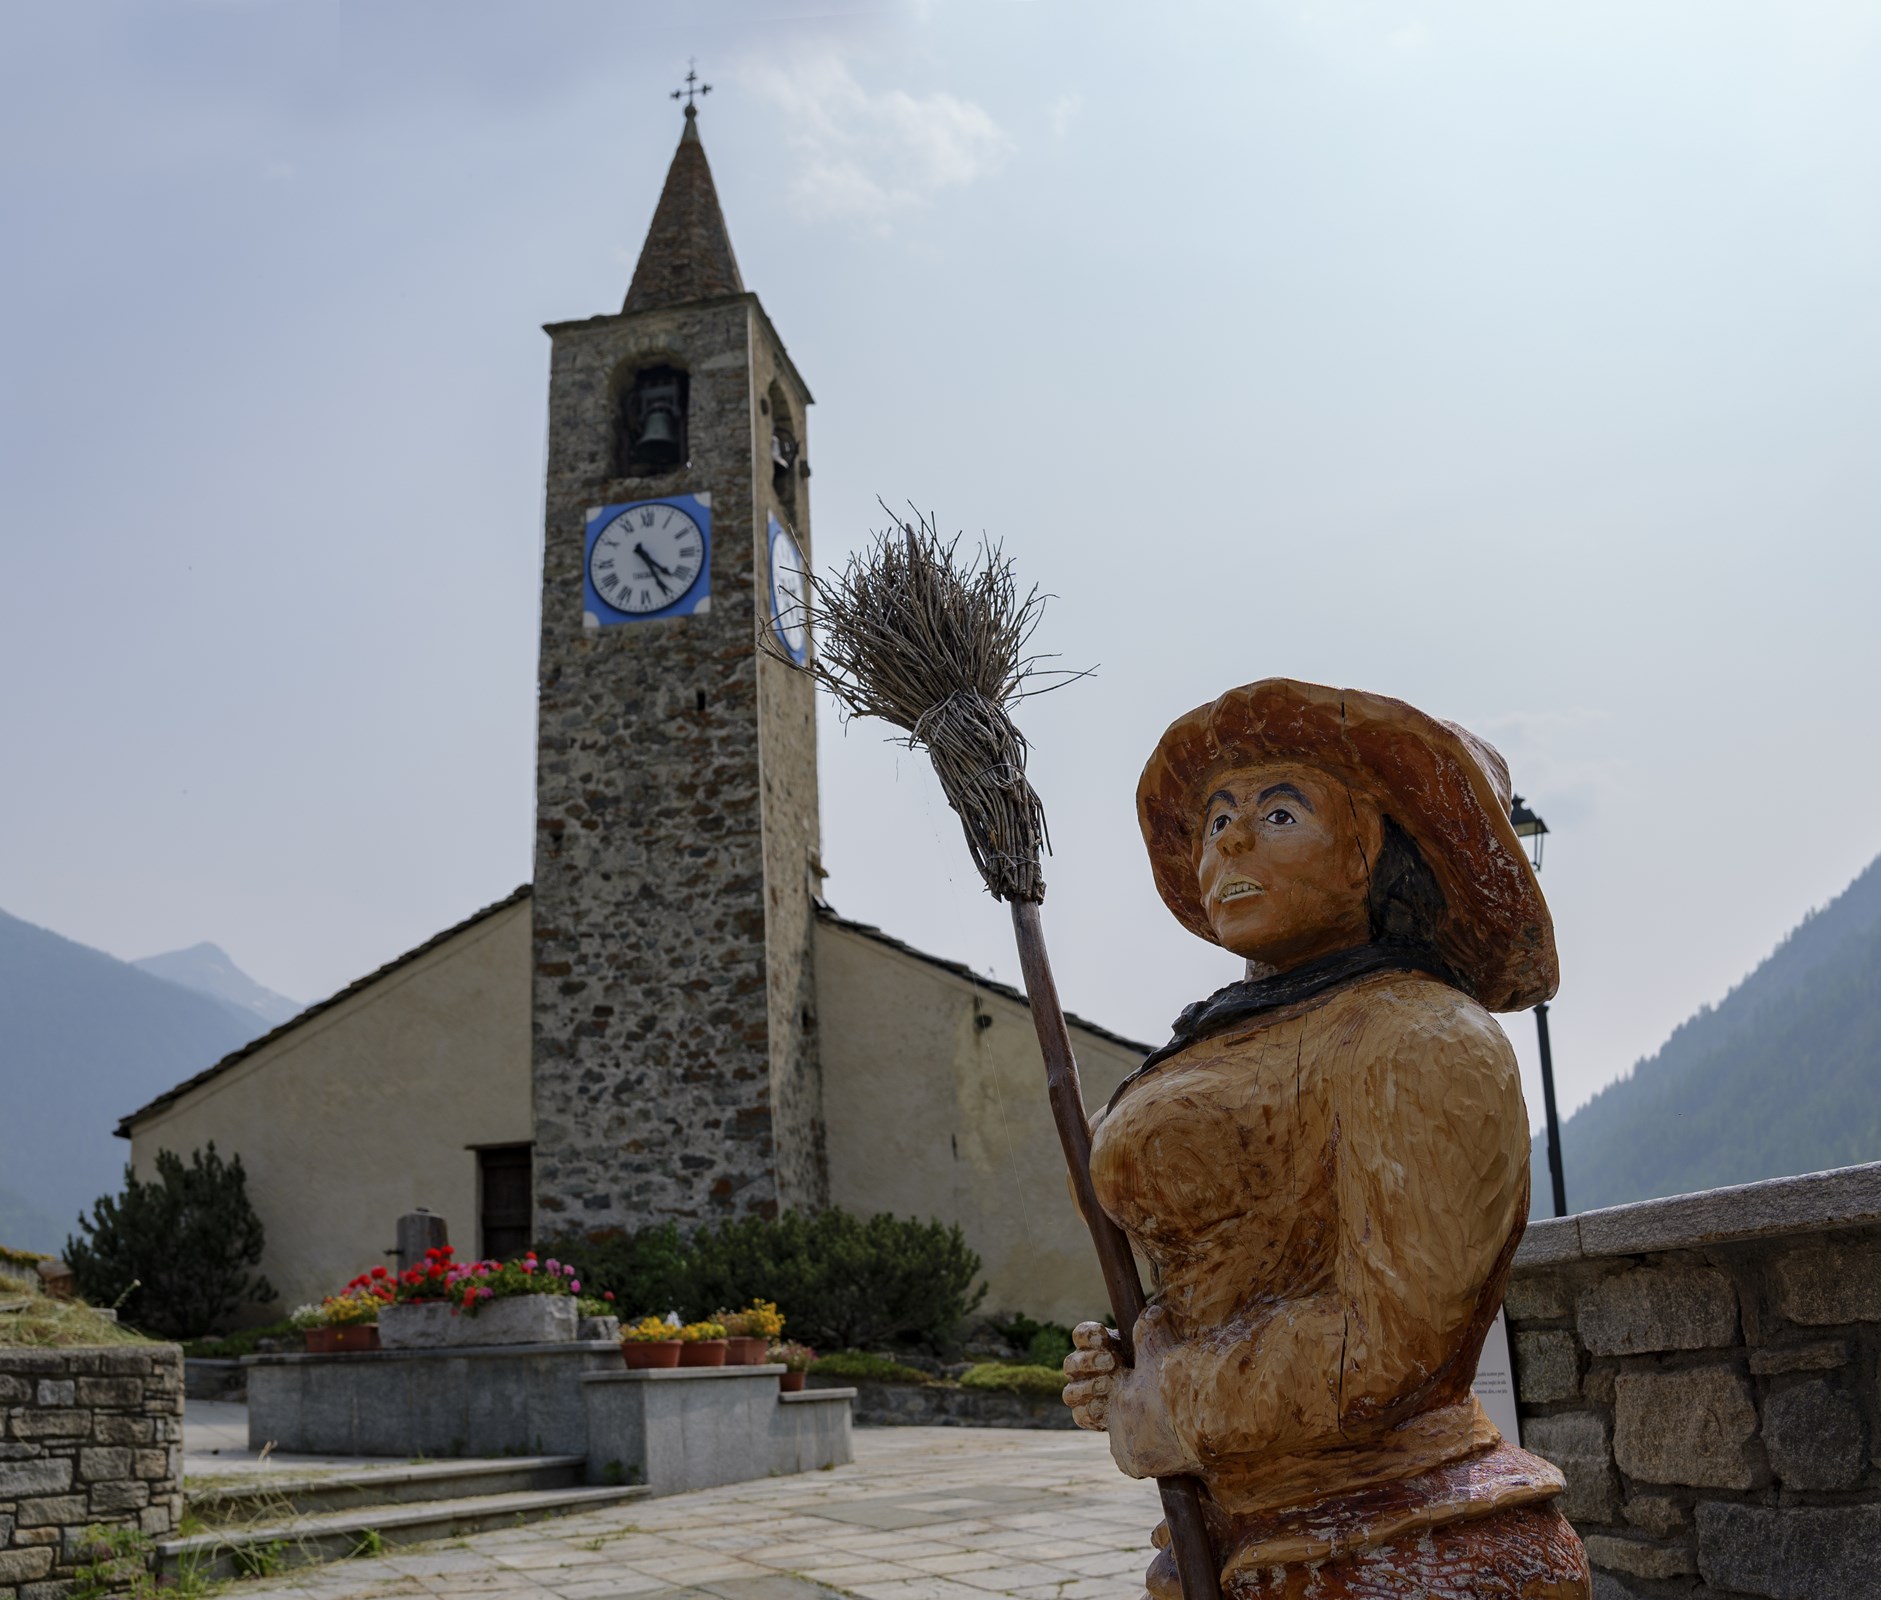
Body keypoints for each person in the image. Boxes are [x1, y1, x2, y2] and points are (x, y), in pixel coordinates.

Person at [1062, 679, 1589, 1600]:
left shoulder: (1420, 1037)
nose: (1225, 838)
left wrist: (1174, 1397)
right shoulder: (1224, 1038)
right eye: (1216, 816)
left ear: (1368, 855)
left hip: (1398, 1535)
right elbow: (1238, 1275)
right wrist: (1140, 1355)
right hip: (1235, 1536)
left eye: (1277, 811)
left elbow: (1391, 1341)